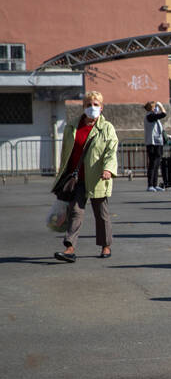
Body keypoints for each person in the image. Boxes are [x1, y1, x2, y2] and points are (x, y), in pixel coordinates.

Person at [53, 91, 118, 263]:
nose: (92, 108)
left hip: (98, 177)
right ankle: (69, 247)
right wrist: (63, 172)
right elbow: (66, 152)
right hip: (77, 178)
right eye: (89, 104)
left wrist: (108, 170)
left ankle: (105, 245)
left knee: (101, 214)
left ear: (102, 108)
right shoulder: (72, 127)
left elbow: (111, 152)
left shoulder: (107, 128)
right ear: (83, 107)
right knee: (75, 211)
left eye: (96, 105)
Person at [143, 100, 167, 192]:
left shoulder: (153, 117)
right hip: (152, 143)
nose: (156, 108)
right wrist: (161, 106)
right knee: (152, 164)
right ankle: (150, 185)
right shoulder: (150, 116)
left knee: (157, 164)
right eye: (155, 107)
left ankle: (155, 184)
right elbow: (164, 114)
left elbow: (158, 129)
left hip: (158, 142)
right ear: (152, 108)